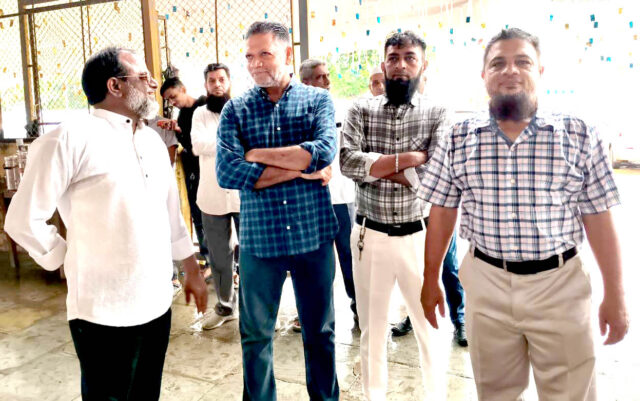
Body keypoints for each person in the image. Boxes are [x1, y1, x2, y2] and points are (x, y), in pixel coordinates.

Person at [418, 27, 629, 400]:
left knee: (570, 393)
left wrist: (615, 294)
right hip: (486, 285)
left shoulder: (579, 134)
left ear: (540, 71)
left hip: (560, 286)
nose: (510, 70)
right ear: (484, 75)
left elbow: (598, 218)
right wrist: (430, 278)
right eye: (498, 63)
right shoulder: (458, 137)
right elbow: (443, 210)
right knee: (495, 392)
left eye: (523, 62)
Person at [4, 46, 208, 400]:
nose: (153, 85)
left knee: (147, 393)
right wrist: (64, 257)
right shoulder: (69, 138)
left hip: (157, 300)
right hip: (102, 308)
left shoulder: (151, 141)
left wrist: (191, 268)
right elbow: (23, 219)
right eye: (143, 77)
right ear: (115, 86)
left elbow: (171, 214)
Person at [216, 21, 339, 401]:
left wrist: (256, 155)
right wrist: (301, 168)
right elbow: (227, 172)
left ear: (287, 54)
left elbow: (323, 151)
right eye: (249, 56)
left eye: (264, 54)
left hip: (312, 235)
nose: (255, 63)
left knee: (320, 332)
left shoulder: (317, 101)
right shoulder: (235, 110)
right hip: (259, 241)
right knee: (255, 336)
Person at [340, 31, 449, 400]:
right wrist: (408, 160)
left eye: (409, 58)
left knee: (430, 328)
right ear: (383, 64)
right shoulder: (360, 109)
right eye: (393, 58)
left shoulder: (437, 112)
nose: (401, 65)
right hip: (369, 237)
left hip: (420, 238)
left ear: (423, 65)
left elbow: (437, 176)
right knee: (372, 331)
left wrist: (377, 166)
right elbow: (347, 162)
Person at [391, 70, 467, 348]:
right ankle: (414, 317)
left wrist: (399, 167)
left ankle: (460, 320)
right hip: (406, 213)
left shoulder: (437, 113)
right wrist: (406, 163)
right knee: (414, 270)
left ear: (424, 78)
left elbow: (438, 165)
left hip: (439, 210)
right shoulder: (392, 116)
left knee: (448, 268)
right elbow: (373, 164)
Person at [299, 58, 358, 330]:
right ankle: (315, 314)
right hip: (311, 198)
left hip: (342, 197)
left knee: (349, 256)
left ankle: (359, 309)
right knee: (314, 261)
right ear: (306, 82)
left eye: (327, 75)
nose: (327, 81)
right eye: (320, 77)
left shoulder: (342, 108)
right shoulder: (297, 112)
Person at [191, 62, 241, 330]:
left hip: (243, 195)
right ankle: (225, 306)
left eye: (222, 79)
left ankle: (252, 306)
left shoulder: (242, 108)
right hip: (211, 195)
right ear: (206, 85)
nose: (217, 84)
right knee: (219, 256)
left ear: (229, 82)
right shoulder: (199, 113)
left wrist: (219, 145)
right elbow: (197, 146)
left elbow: (251, 144)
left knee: (251, 254)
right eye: (212, 81)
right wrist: (232, 144)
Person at [160, 77, 209, 265]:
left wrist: (180, 131)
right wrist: (177, 130)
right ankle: (207, 257)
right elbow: (188, 143)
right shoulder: (181, 116)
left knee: (211, 214)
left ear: (183, 89)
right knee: (197, 213)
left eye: (173, 96)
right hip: (192, 169)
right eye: (169, 100)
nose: (172, 102)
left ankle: (224, 261)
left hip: (207, 168)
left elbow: (199, 142)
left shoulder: (204, 105)